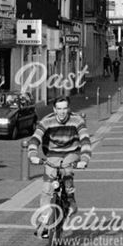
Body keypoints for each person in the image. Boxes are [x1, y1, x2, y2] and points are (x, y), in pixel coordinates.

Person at [28, 96, 91, 235]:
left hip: (71, 153)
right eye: (59, 109)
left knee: (66, 171)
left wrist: (84, 159)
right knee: (47, 188)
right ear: (54, 109)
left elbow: (85, 140)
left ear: (68, 108)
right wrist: (32, 154)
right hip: (52, 154)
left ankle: (70, 202)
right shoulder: (47, 121)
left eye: (64, 108)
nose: (62, 112)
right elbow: (35, 138)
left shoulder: (77, 120)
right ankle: (45, 222)